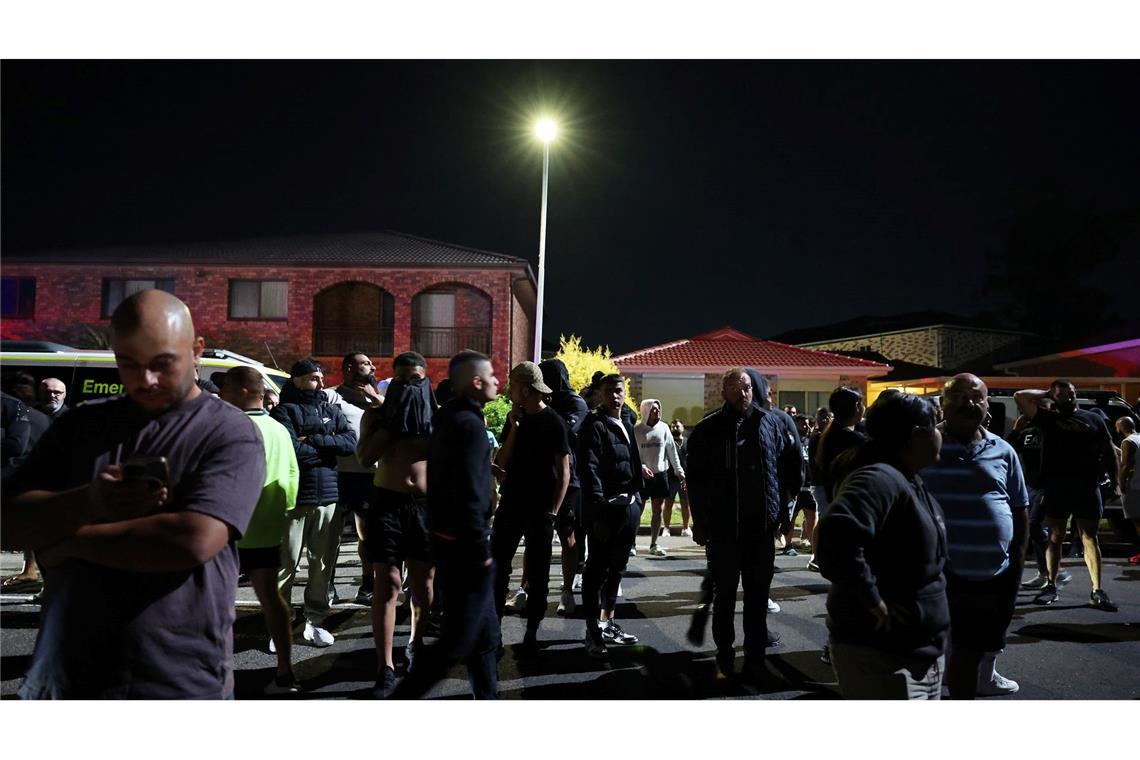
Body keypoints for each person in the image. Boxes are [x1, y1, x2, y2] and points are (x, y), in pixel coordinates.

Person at [1, 289, 265, 698]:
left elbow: (191, 540)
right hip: (66, 671)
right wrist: (90, 501)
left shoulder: (228, 431)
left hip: (176, 676)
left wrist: (64, 541)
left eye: (163, 364)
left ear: (196, 351)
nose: (145, 380)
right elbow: (7, 519)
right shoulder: (81, 426)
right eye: (129, 364)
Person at [816, 392, 948, 700]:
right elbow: (836, 534)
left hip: (916, 653)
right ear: (917, 434)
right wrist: (872, 601)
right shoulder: (881, 477)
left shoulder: (906, 477)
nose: (941, 431)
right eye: (936, 424)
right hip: (885, 658)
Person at [398, 350, 501, 699]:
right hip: (467, 548)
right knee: (457, 643)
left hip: (447, 541)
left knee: (482, 637)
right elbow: (471, 493)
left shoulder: (448, 418)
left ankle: (487, 698)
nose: (496, 381)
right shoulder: (470, 426)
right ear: (475, 381)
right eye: (491, 376)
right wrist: (479, 549)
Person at [686, 368, 797, 681]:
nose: (742, 395)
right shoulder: (708, 429)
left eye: (746, 387)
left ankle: (756, 657)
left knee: (758, 596)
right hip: (723, 529)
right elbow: (695, 481)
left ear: (753, 388)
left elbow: (787, 470)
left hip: (761, 528)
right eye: (734, 390)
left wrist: (784, 516)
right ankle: (724, 654)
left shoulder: (771, 423)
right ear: (724, 394)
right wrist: (699, 521)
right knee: (724, 597)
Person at [921, 374, 1028, 698]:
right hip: (944, 571)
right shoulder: (926, 445)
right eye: (958, 396)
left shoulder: (1004, 450)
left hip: (996, 570)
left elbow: (1019, 507)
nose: (968, 402)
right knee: (950, 650)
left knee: (986, 639)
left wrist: (1018, 561)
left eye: (976, 397)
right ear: (942, 404)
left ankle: (981, 679)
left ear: (987, 405)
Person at [356, 351, 438, 698]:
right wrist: (392, 420)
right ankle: (385, 665)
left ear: (426, 379)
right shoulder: (376, 416)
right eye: (401, 379)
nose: (408, 385)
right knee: (388, 584)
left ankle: (416, 643)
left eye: (415, 379)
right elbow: (365, 456)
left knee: (423, 584)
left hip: (424, 506)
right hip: (387, 501)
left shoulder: (437, 416)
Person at [219, 366, 301, 694]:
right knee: (271, 598)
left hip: (233, 527)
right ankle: (285, 670)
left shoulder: (235, 425)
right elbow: (293, 473)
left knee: (219, 601)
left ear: (241, 391)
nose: (220, 393)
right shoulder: (278, 428)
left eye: (225, 387)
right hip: (268, 525)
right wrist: (282, 514)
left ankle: (216, 672)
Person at [271, 358, 358, 648]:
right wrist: (327, 446)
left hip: (329, 496)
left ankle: (315, 620)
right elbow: (291, 449)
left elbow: (350, 444)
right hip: (295, 497)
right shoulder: (284, 411)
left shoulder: (331, 409)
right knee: (286, 564)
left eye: (321, 378)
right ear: (296, 380)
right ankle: (278, 624)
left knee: (322, 564)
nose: (320, 383)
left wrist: (317, 440)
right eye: (312, 378)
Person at [1015, 380, 1119, 610]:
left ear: (1076, 394)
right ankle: (1051, 585)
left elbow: (1109, 450)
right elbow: (1020, 396)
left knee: (1090, 537)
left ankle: (1097, 589)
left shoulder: (1094, 419)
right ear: (1054, 397)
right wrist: (1047, 392)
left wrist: (1115, 482)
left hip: (1087, 486)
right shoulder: (1048, 418)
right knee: (1055, 535)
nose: (1067, 398)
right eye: (1061, 395)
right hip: (1056, 487)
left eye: (1070, 393)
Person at [490, 361, 570, 659]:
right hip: (511, 501)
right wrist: (514, 426)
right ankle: (494, 631)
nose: (509, 391)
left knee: (538, 572)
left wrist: (554, 509)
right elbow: (502, 459)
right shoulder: (515, 419)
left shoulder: (554, 422)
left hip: (540, 506)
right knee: (498, 567)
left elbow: (564, 470)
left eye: (512, 386)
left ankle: (532, 632)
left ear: (525, 389)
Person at [577, 373, 645, 657]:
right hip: (605, 509)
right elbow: (589, 468)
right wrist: (598, 507)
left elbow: (629, 460)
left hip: (628, 506)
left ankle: (608, 622)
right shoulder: (594, 425)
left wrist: (638, 495)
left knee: (617, 568)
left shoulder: (627, 422)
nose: (614, 396)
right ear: (601, 394)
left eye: (618, 390)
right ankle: (592, 630)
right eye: (609, 391)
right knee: (595, 570)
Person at [327, 352, 384, 604]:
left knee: (369, 535)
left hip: (370, 476)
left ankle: (367, 584)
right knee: (331, 534)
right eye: (365, 363)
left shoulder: (380, 400)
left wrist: (377, 400)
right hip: (339, 474)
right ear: (349, 368)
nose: (371, 367)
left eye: (371, 363)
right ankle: (327, 584)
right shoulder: (331, 396)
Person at [539, 358, 590, 615]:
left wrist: (544, 412)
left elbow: (565, 432)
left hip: (569, 479)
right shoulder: (540, 402)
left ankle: (567, 590)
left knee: (567, 535)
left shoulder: (575, 403)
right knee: (537, 535)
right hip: (540, 478)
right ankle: (527, 588)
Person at [1008, 407, 1072, 590]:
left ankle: (1057, 570)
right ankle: (1045, 572)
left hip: (1046, 485)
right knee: (1034, 529)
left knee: (1033, 525)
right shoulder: (1027, 432)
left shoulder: (1054, 431)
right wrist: (1016, 429)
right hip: (1029, 485)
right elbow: (1009, 448)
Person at [634, 398, 685, 557]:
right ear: (645, 411)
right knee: (638, 510)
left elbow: (671, 451)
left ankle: (654, 543)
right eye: (653, 409)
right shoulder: (637, 430)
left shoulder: (663, 428)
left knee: (657, 510)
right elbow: (634, 455)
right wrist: (642, 468)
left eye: (658, 409)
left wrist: (679, 470)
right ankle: (632, 544)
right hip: (642, 476)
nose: (656, 412)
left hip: (660, 474)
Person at [1116, 416, 1140, 565]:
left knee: (1138, 523)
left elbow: (1125, 465)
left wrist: (1121, 484)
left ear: (1120, 428)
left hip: (1135, 487)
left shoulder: (1128, 441)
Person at [665, 419, 692, 538]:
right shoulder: (668, 442)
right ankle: (666, 528)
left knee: (685, 504)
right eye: (672, 427)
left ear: (683, 427)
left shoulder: (687, 442)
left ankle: (686, 528)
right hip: (670, 477)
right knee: (668, 503)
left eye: (677, 426)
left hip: (684, 478)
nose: (675, 428)